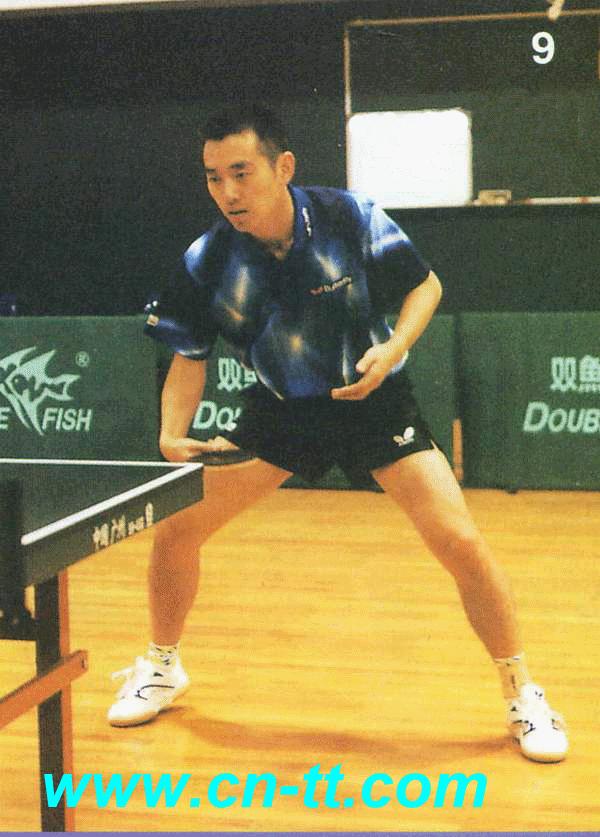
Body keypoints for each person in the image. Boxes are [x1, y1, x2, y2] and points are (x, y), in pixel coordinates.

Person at [109, 104, 567, 763]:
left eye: (241, 172)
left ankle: (523, 692)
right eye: (213, 177)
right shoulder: (208, 259)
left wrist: (396, 347)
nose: (228, 192)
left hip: (373, 403)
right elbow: (189, 354)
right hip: (280, 413)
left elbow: (425, 286)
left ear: (283, 167)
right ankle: (162, 666)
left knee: (460, 540)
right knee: (177, 529)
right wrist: (170, 434)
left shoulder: (346, 217)